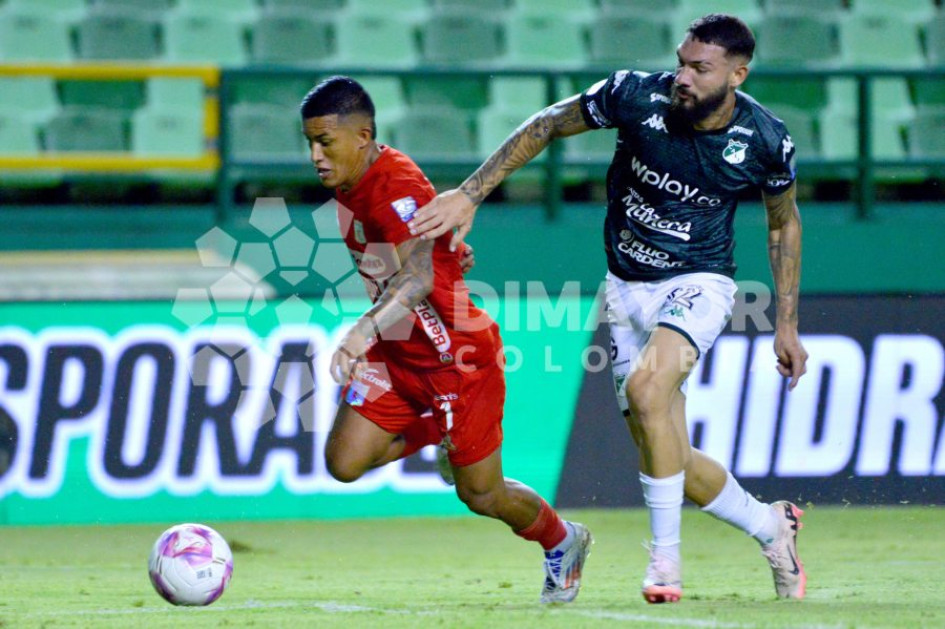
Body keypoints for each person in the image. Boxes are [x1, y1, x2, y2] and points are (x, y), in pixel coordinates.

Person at [407, 14, 808, 604]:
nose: (683, 77)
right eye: (681, 61)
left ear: (737, 73)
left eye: (700, 68)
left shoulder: (766, 140)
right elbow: (547, 123)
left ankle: (665, 565)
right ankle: (772, 527)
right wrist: (471, 191)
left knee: (649, 392)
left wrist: (788, 324)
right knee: (665, 449)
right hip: (624, 289)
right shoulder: (633, 94)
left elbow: (783, 225)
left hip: (699, 281)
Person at [300, 76, 593, 604]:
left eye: (325, 142)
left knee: (480, 494)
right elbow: (419, 251)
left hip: (455, 360)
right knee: (343, 463)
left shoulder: (393, 185)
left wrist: (361, 330)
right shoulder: (351, 182)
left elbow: (417, 279)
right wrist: (450, 253)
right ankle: (440, 429)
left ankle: (562, 540)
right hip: (398, 354)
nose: (316, 156)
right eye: (310, 144)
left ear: (362, 135)